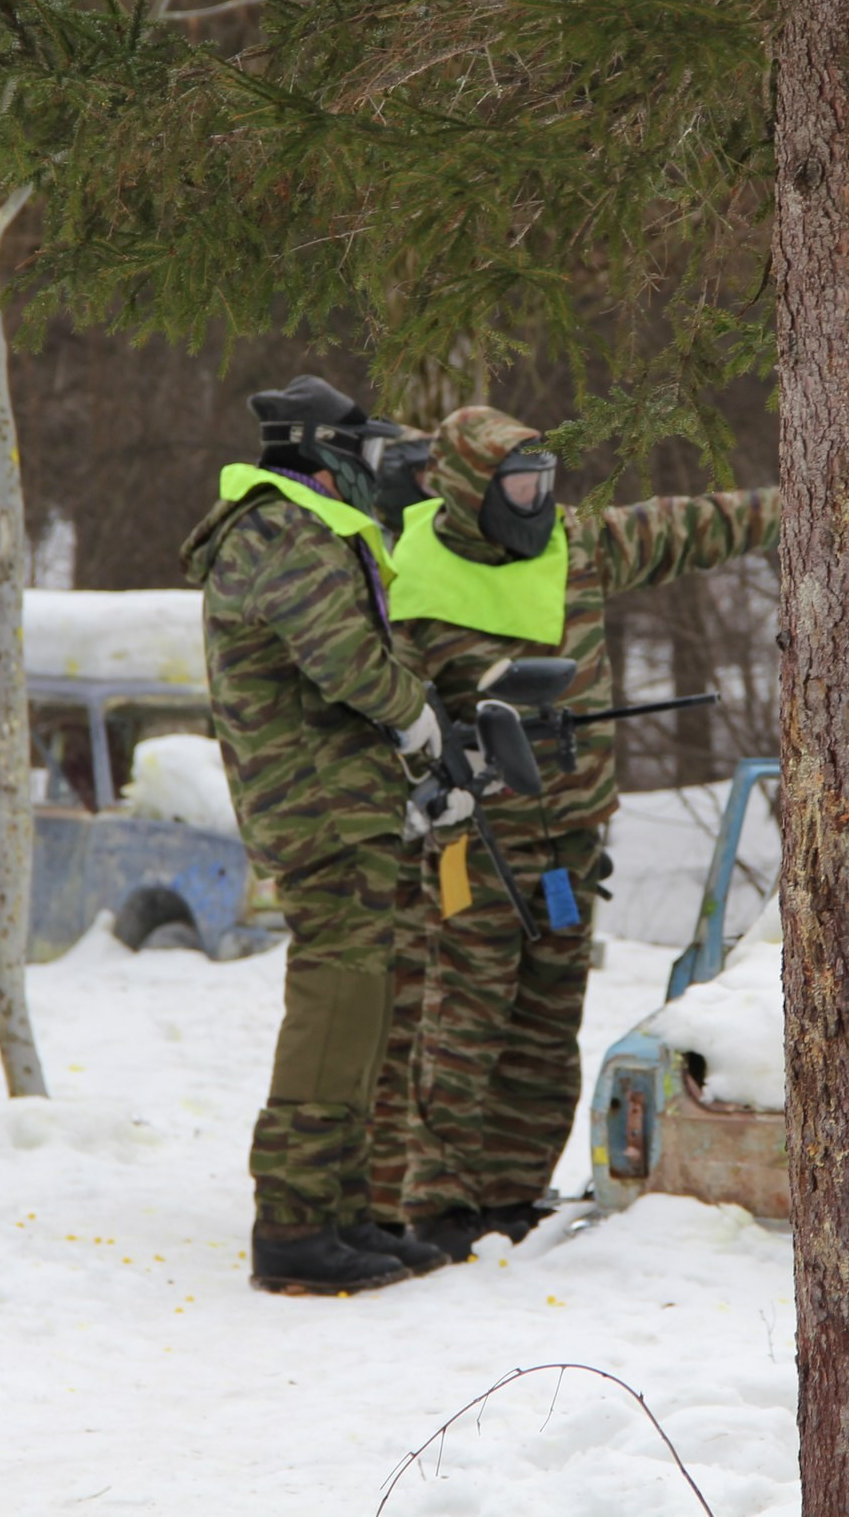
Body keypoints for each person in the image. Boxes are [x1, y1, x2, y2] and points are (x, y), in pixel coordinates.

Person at [387, 406, 779, 1259]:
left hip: (571, 837)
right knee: (464, 1019)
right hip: (473, 840)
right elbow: (384, 712)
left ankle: (512, 1190)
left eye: (542, 483)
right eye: (515, 486)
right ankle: (439, 1202)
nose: (534, 502)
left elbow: (692, 526)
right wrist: (436, 766)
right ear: (465, 492)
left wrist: (804, 502)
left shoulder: (579, 544)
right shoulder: (410, 580)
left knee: (546, 1020)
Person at [179, 376, 453, 1294]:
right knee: (336, 1005)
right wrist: (416, 717)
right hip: (319, 811)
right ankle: (293, 1224)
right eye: (366, 452)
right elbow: (341, 658)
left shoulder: (304, 528)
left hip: (347, 803)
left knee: (362, 1004)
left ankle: (342, 1212)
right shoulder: (277, 529)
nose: (381, 471)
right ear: (319, 452)